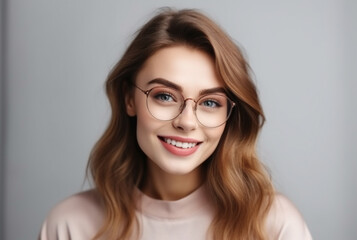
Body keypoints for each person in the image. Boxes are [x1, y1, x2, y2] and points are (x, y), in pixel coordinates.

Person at [39, 8, 312, 240]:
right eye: (165, 96)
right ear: (128, 99)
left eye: (210, 102)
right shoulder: (70, 225)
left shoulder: (275, 226)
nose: (186, 122)